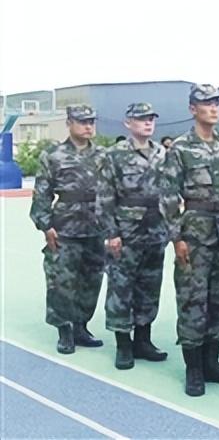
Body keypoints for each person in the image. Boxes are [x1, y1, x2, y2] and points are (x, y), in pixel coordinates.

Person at [159, 83, 219, 397]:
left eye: (216, 102)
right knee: (193, 300)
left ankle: (212, 362)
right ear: (192, 108)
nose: (213, 107)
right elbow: (168, 195)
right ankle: (194, 369)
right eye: (206, 102)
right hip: (194, 233)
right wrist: (176, 237)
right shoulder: (181, 149)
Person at [96, 102, 169, 370]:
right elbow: (104, 197)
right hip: (126, 233)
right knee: (121, 288)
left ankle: (143, 340)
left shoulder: (162, 153)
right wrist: (111, 233)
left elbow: (170, 193)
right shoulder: (114, 155)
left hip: (156, 231)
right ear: (128, 123)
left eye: (151, 118)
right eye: (141, 119)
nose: (148, 123)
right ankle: (123, 345)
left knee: (149, 287)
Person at [29, 105, 106, 354]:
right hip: (65, 228)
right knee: (61, 281)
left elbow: (112, 192)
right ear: (69, 123)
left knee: (91, 279)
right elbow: (41, 193)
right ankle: (64, 329)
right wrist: (46, 225)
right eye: (83, 121)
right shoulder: (54, 155)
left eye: (92, 121)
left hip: (95, 227)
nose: (88, 126)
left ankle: (81, 326)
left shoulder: (103, 156)